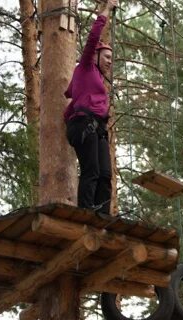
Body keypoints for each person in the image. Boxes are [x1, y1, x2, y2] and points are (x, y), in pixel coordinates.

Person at [63, 0, 118, 215]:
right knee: (92, 170)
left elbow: (72, 104)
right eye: (106, 57)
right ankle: (85, 211)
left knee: (105, 174)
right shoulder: (86, 66)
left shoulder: (95, 82)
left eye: (112, 59)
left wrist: (69, 116)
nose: (110, 62)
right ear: (95, 57)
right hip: (84, 124)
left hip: (95, 128)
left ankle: (102, 213)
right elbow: (93, 37)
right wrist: (105, 12)